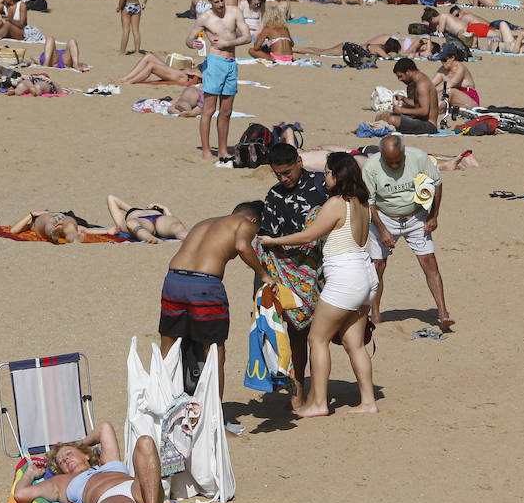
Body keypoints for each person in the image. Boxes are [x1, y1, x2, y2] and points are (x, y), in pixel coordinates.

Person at [259, 152, 378, 417]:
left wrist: (272, 242)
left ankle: (318, 403)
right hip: (367, 277)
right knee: (354, 343)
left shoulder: (337, 203)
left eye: (327, 172)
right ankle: (368, 401)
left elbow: (309, 235)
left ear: (338, 176)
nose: (324, 177)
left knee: (316, 338)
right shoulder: (362, 202)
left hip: (346, 278)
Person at [158, 201, 273, 398]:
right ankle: (215, 415)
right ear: (253, 220)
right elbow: (242, 246)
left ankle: (161, 405)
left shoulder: (204, 223)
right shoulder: (243, 223)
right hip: (204, 286)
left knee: (168, 346)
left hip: (173, 280)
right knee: (214, 352)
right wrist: (263, 274)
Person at [258, 143, 328, 402]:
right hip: (289, 273)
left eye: (287, 172)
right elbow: (267, 238)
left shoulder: (323, 185)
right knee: (296, 332)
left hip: (324, 267)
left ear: (299, 161)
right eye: (278, 174)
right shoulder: (275, 195)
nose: (283, 178)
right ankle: (299, 389)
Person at [363, 135, 454, 328]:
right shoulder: (371, 167)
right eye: (390, 163)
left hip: (415, 216)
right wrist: (382, 230)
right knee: (378, 266)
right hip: (384, 217)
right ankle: (376, 315)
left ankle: (443, 312)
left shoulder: (418, 157)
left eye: (398, 161)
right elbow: (369, 202)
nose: (395, 166)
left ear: (404, 153)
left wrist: (433, 216)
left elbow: (437, 183)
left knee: (429, 261)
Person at [13, 421, 164, 503]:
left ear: (85, 454)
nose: (65, 459)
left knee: (145, 442)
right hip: (109, 500)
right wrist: (30, 473)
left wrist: (78, 445)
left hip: (141, 491)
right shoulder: (61, 482)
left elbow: (104, 427)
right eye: (61, 461)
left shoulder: (108, 463)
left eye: (69, 453)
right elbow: (20, 495)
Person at [187, 0, 251, 165]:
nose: (221, 5)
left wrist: (227, 43)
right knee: (209, 109)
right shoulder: (205, 18)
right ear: (210, 2)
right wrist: (193, 44)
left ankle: (223, 150)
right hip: (214, 63)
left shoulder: (234, 12)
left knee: (226, 111)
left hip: (231, 63)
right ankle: (206, 150)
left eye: (222, 0)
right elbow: (189, 38)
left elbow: (247, 37)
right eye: (217, 2)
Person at [374, 58, 440, 134]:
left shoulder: (422, 84)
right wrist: (403, 99)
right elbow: (417, 104)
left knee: (392, 119)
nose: (399, 79)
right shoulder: (412, 83)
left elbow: (424, 111)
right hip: (418, 119)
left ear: (408, 72)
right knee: (382, 116)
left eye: (400, 76)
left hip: (429, 125)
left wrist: (401, 110)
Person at [104, 195, 189, 243]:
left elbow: (170, 217)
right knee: (132, 224)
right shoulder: (125, 218)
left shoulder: (161, 212)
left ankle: (193, 238)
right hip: (142, 222)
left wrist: (165, 210)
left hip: (160, 219)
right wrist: (132, 209)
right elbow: (111, 198)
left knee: (176, 226)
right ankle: (151, 239)